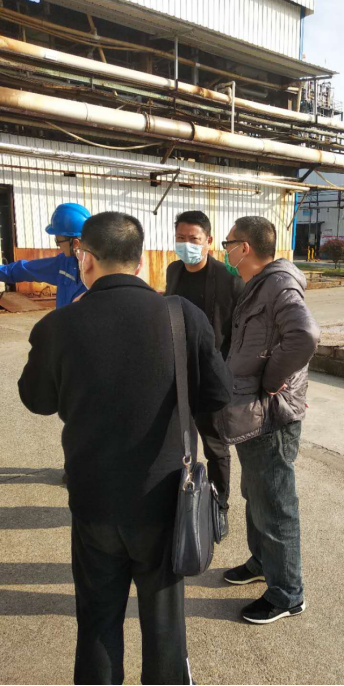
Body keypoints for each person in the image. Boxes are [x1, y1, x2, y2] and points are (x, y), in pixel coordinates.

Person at [18, 211, 233, 685]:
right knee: (164, 627)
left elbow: (36, 400)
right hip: (164, 500)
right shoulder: (182, 316)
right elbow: (219, 395)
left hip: (94, 500)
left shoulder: (59, 325)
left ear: (85, 259)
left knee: (97, 621)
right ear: (140, 263)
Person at [218, 216, 320, 625]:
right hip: (252, 410)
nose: (225, 249)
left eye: (228, 242)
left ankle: (287, 594)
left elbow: (305, 335)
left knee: (276, 504)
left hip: (270, 414)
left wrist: (271, 378)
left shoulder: (278, 285)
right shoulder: (258, 284)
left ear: (244, 247)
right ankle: (262, 562)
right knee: (256, 493)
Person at [165, 210, 244, 537]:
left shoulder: (229, 279)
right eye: (180, 238)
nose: (186, 244)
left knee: (215, 446)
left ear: (208, 241)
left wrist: (228, 373)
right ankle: (182, 499)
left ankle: (219, 505)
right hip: (176, 371)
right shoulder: (173, 271)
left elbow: (238, 333)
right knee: (174, 441)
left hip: (210, 372)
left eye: (193, 239)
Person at [0, 203, 91, 308]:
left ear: (75, 243)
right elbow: (25, 269)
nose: (58, 246)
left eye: (58, 241)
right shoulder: (63, 264)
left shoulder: (99, 273)